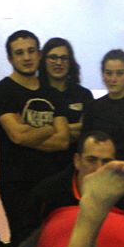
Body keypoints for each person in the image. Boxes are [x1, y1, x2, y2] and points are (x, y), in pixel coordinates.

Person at [0, 30, 70, 247]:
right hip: (16, 183)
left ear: (39, 54)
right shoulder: (2, 92)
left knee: (52, 244)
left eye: (31, 51)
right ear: (10, 58)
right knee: (23, 246)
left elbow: (63, 140)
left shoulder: (52, 93)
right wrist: (48, 128)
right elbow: (17, 136)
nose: (26, 57)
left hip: (50, 181)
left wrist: (30, 132)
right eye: (19, 53)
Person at [40, 36, 93, 167]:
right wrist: (70, 129)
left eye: (64, 58)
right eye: (53, 57)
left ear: (71, 62)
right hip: (40, 164)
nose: (59, 62)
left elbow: (85, 130)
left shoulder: (83, 95)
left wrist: (49, 131)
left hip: (73, 166)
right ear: (43, 60)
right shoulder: (35, 94)